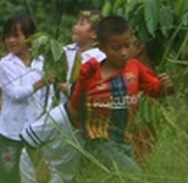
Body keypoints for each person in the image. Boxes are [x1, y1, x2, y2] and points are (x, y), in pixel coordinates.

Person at [69, 16, 174, 174]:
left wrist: (166, 86)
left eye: (127, 46)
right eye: (116, 49)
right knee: (135, 176)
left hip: (126, 141)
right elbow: (74, 107)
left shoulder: (135, 68)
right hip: (99, 142)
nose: (124, 53)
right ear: (102, 48)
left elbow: (155, 90)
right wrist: (83, 81)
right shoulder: (91, 72)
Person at [0, 14, 51, 183]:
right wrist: (41, 82)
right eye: (8, 36)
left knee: (38, 173)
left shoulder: (42, 62)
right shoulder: (5, 64)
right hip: (10, 131)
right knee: (7, 174)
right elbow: (15, 93)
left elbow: (47, 96)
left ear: (30, 38)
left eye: (17, 35)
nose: (11, 40)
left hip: (35, 129)